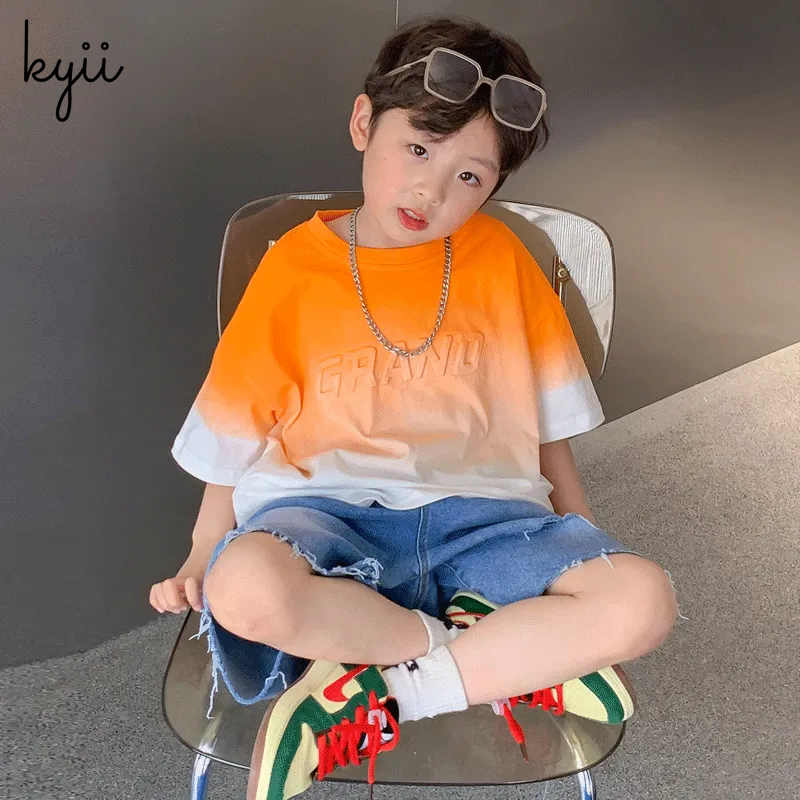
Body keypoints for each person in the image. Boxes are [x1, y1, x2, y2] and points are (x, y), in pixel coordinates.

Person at [150, 15, 678, 800]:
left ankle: (385, 693)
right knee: (242, 588)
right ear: (365, 123)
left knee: (643, 601)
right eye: (420, 150)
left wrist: (583, 539)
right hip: (327, 516)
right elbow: (238, 423)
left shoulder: (503, 259)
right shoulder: (294, 268)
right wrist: (203, 549)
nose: (431, 190)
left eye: (470, 177)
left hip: (487, 521)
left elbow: (548, 434)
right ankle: (486, 653)